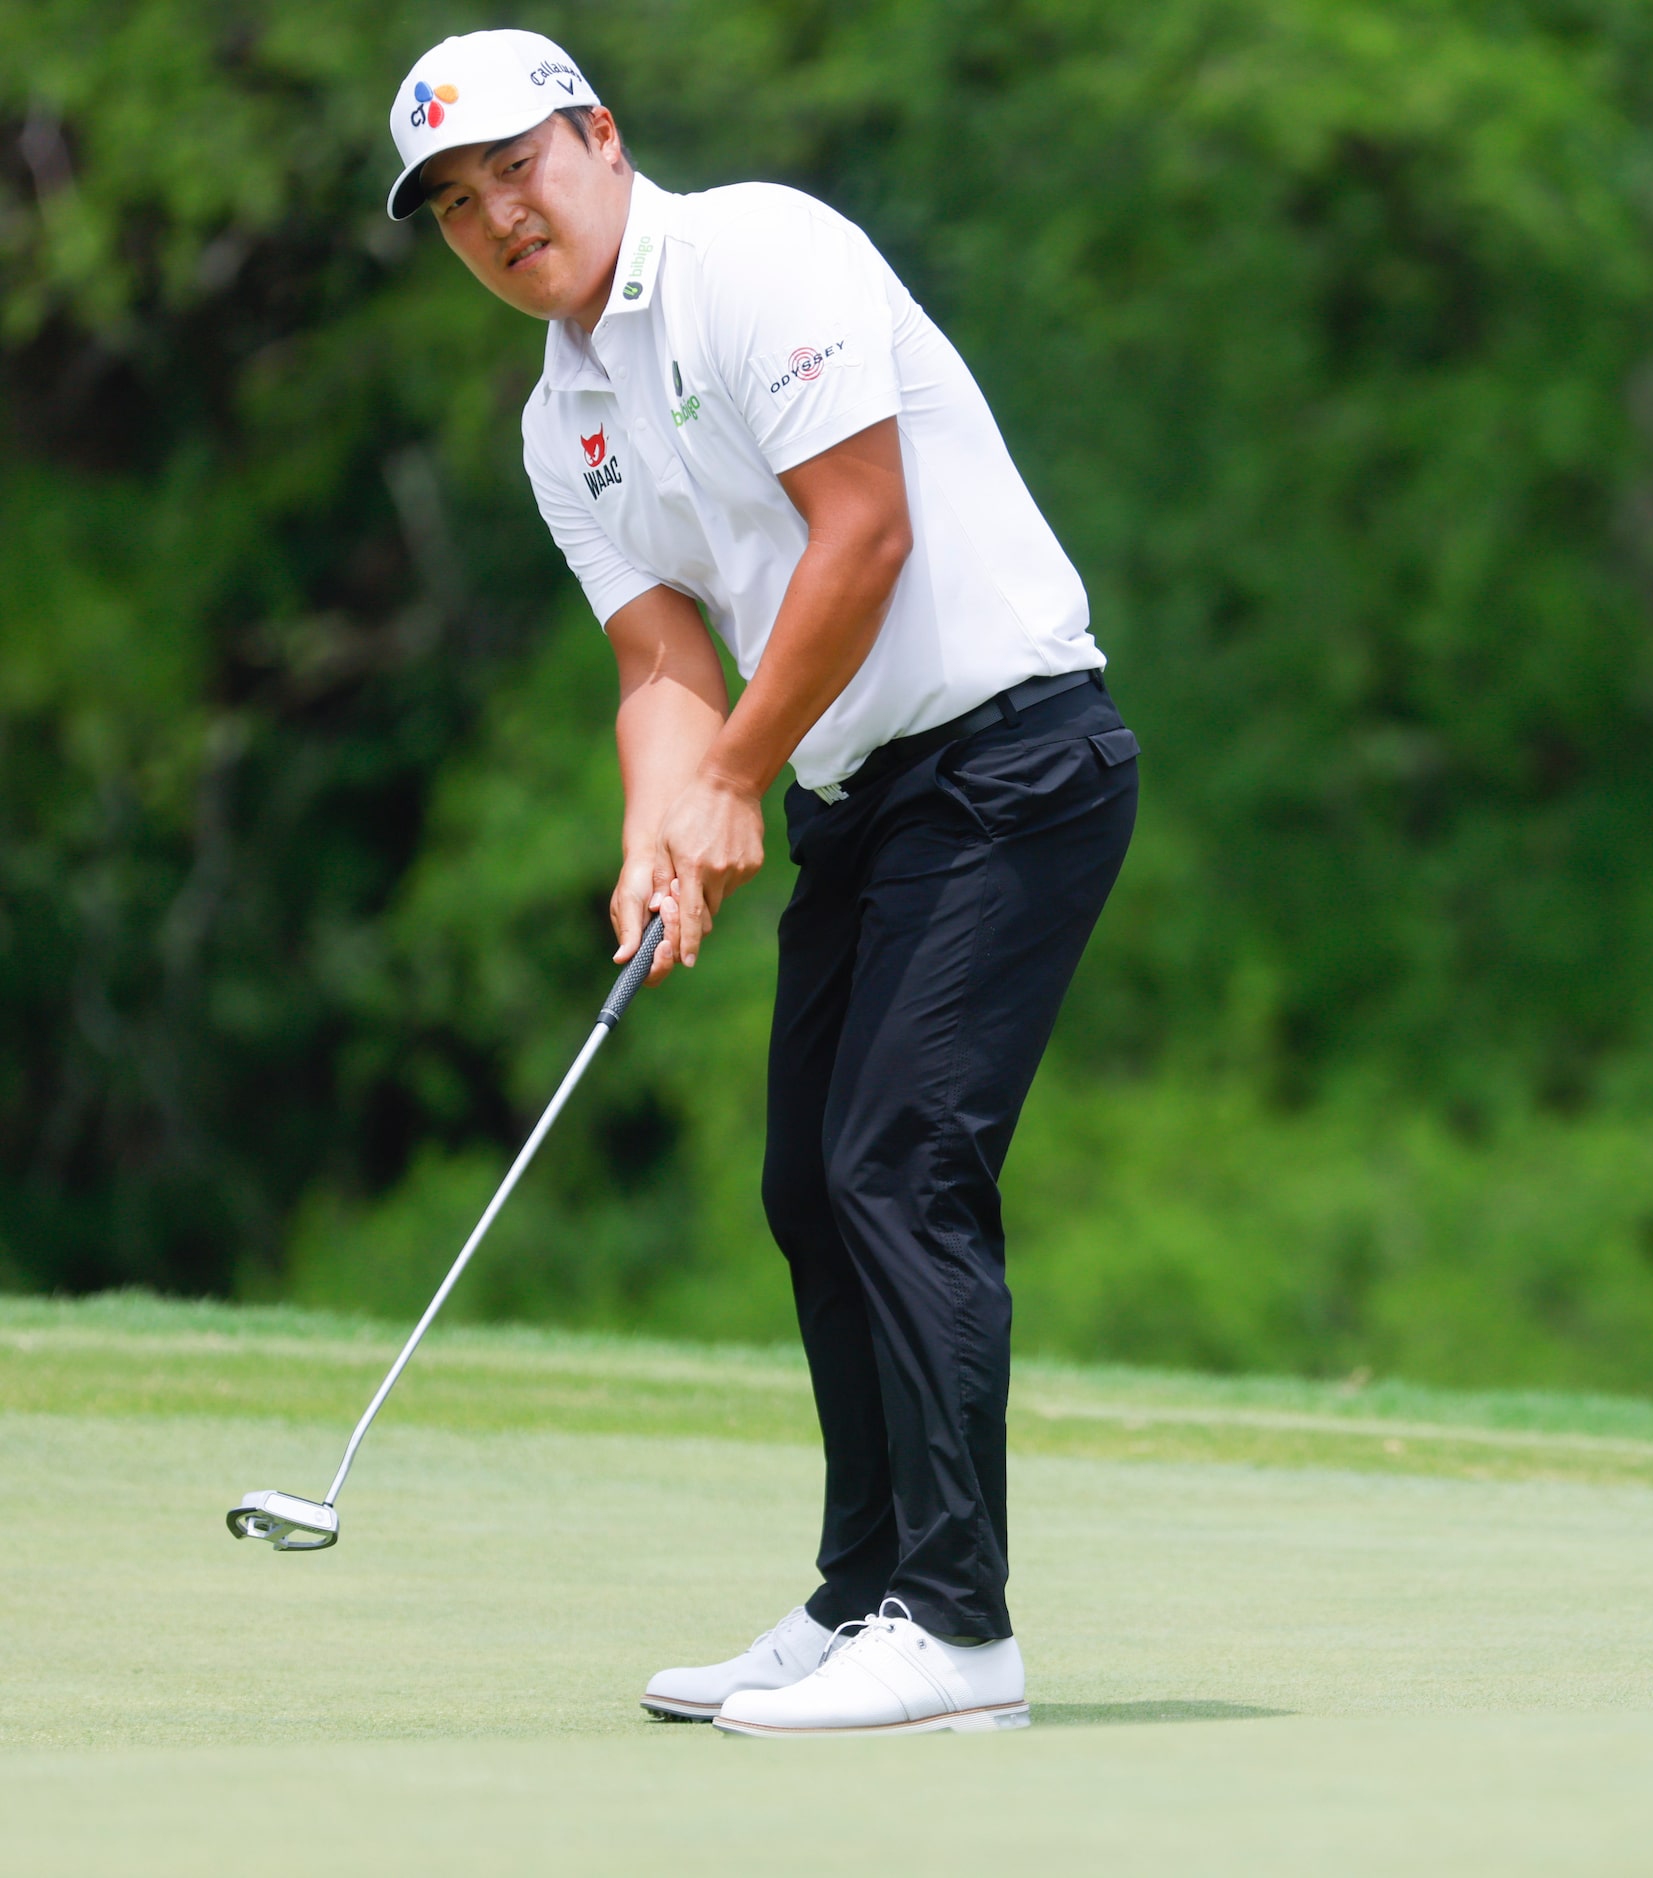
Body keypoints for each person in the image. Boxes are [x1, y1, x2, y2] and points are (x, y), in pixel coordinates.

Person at [385, 30, 1137, 1737]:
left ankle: (959, 1631)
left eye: (519, 165)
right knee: (813, 1182)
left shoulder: (757, 256)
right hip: (863, 799)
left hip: (1015, 758)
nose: (501, 216)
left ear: (599, 134)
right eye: (456, 203)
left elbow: (860, 530)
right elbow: (662, 659)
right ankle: (869, 1588)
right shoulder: (556, 419)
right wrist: (666, 823)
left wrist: (730, 779)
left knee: (897, 1164)